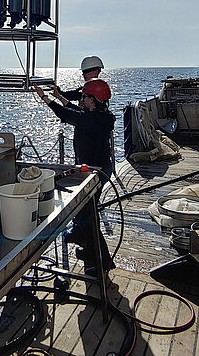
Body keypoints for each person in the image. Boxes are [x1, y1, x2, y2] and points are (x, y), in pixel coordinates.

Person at [34, 78, 116, 276]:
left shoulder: (93, 120)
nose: (82, 99)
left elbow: (67, 114)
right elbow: (75, 112)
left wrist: (44, 97)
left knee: (87, 214)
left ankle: (100, 262)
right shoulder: (100, 116)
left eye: (85, 97)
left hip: (96, 172)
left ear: (92, 99)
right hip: (96, 168)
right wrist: (58, 96)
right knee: (85, 212)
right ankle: (87, 248)